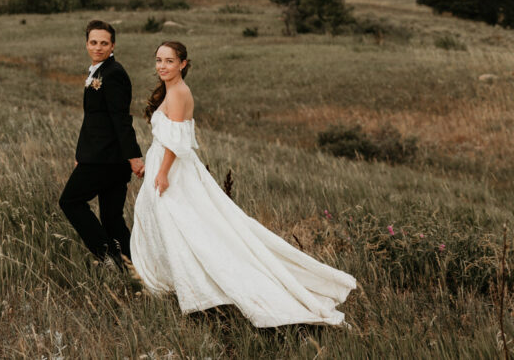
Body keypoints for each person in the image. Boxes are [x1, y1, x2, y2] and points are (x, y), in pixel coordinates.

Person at [130, 41, 357, 327]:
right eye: (159, 60)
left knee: (189, 230)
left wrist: (161, 173)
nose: (162, 66)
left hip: (173, 171)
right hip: (169, 165)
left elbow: (176, 142)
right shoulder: (172, 90)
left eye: (169, 61)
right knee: (181, 228)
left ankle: (206, 288)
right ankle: (185, 285)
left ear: (183, 64)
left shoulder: (178, 93)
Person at [59, 20, 145, 266]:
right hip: (99, 155)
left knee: (70, 201)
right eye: (93, 42)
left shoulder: (114, 73)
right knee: (112, 218)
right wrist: (80, 153)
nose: (98, 47)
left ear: (113, 45)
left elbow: (121, 119)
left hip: (106, 158)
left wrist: (134, 157)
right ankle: (133, 266)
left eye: (104, 43)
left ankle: (106, 256)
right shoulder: (97, 71)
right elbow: (93, 120)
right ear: (86, 43)